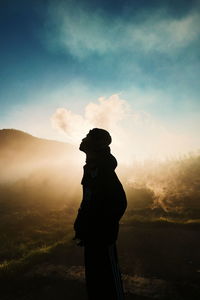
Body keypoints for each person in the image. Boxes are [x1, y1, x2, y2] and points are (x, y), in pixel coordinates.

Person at [73, 128, 127, 300]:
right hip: (90, 236)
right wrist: (81, 225)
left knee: (109, 281)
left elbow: (119, 203)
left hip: (102, 238)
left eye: (88, 137)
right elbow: (88, 201)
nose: (83, 139)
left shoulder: (104, 171)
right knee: (95, 282)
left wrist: (100, 229)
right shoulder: (91, 169)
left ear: (98, 143)